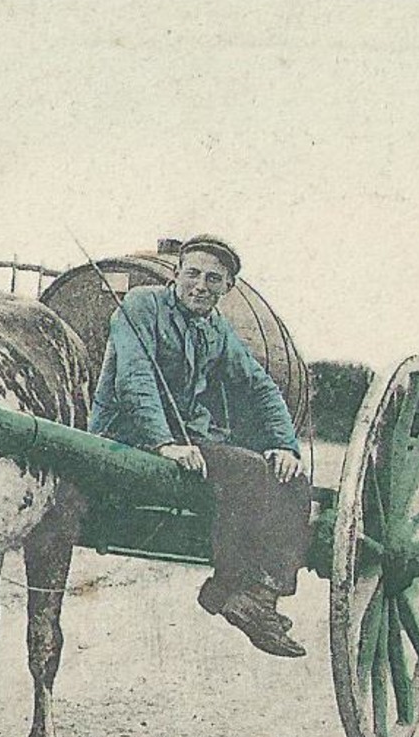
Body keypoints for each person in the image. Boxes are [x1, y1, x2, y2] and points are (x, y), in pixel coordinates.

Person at [89, 235, 310, 657]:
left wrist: (285, 446)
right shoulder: (140, 307)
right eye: (192, 273)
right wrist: (164, 442)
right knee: (247, 472)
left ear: (227, 287)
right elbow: (132, 380)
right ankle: (228, 591)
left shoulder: (215, 328)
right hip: (128, 439)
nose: (200, 285)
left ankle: (260, 598)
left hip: (186, 443)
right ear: (176, 274)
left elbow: (260, 386)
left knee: (292, 480)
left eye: (213, 279)